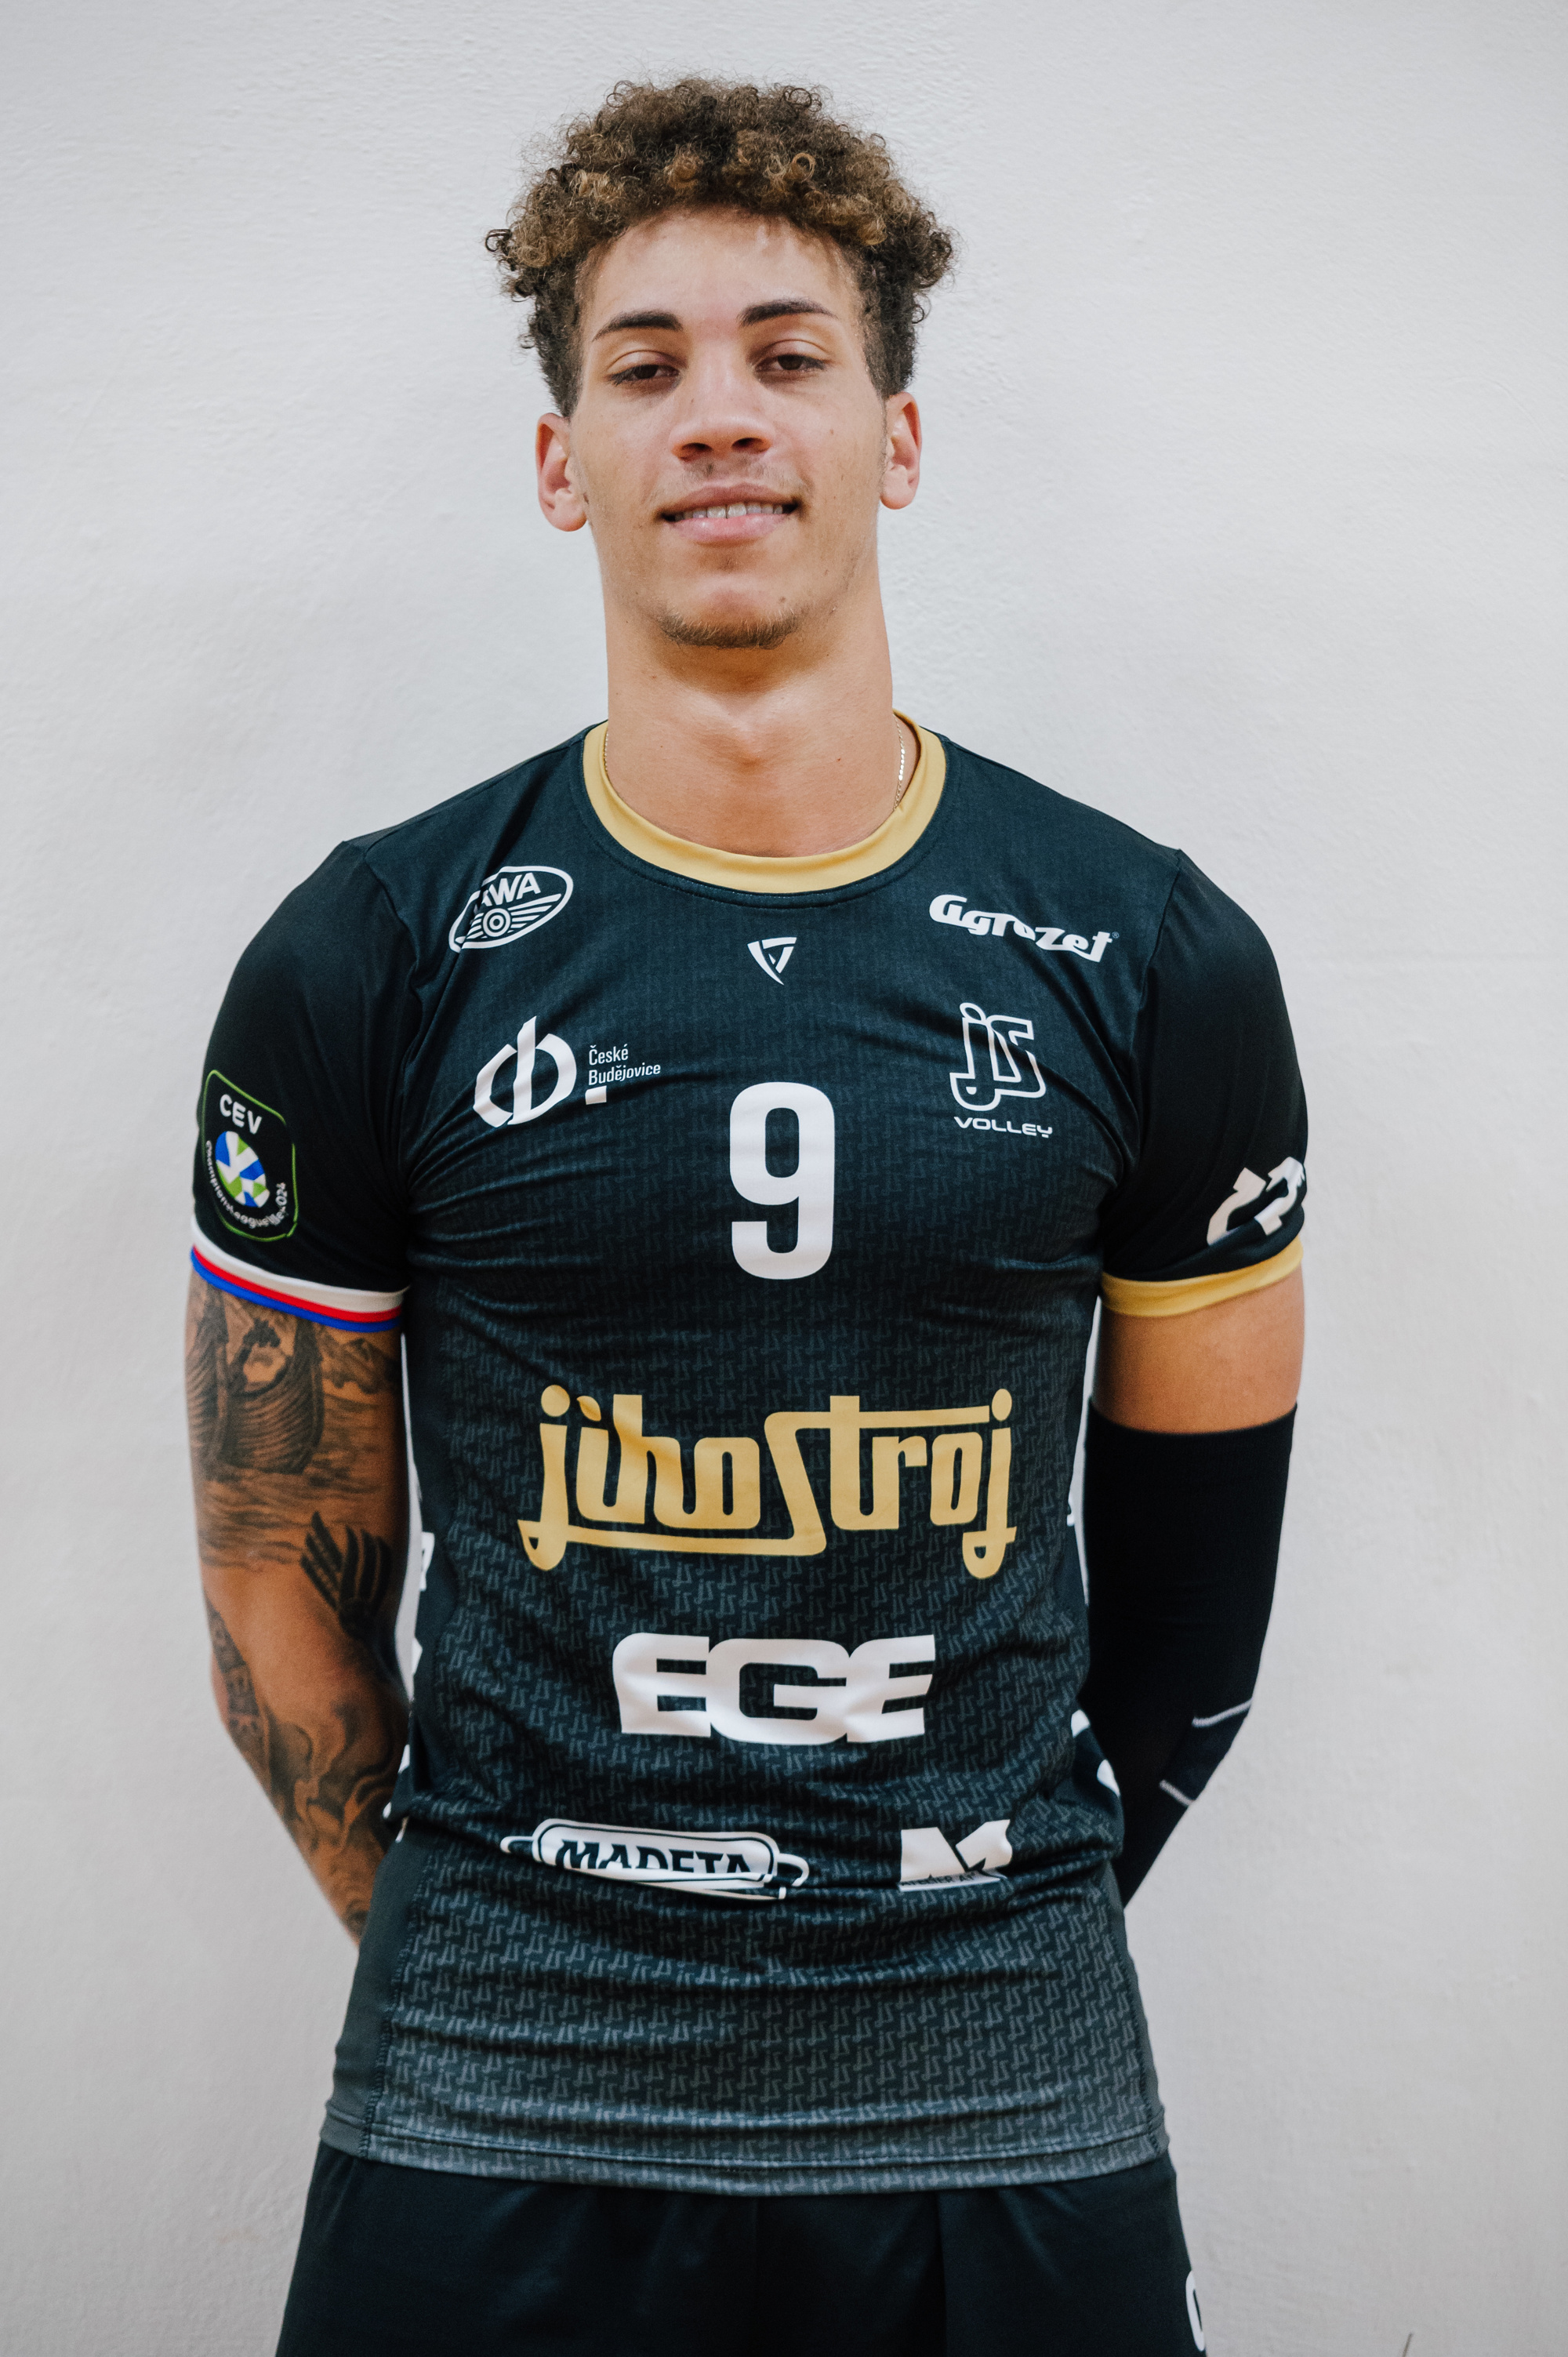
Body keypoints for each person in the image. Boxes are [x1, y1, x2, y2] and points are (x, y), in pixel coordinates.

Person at [187, 78, 1305, 2357]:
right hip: (497, 2066)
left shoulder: (1153, 955)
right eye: (647, 365)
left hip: (996, 2057)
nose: (720, 414)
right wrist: (490, 1938)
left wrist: (977, 1917)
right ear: (560, 459)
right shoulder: (370, 953)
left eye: (791, 356)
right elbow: (277, 1580)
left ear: (898, 437)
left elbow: (1199, 1602)